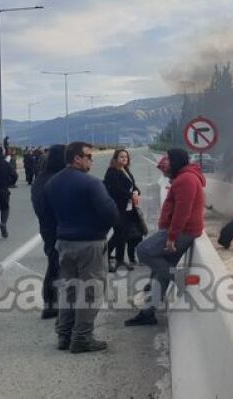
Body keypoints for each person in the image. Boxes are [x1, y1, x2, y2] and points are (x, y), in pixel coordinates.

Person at [44, 141, 118, 353]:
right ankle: (82, 338)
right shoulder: (91, 184)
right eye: (88, 156)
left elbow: (48, 216)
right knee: (91, 292)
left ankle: (64, 335)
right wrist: (100, 229)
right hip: (90, 243)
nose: (91, 160)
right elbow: (111, 214)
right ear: (76, 158)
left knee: (68, 290)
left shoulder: (53, 183)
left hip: (64, 242)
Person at [126, 148, 205, 327]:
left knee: (144, 250)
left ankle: (178, 279)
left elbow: (182, 211)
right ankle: (148, 312)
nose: (165, 161)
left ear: (176, 160)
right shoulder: (183, 177)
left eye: (168, 159)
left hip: (182, 231)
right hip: (180, 230)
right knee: (159, 272)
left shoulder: (186, 179)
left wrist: (171, 237)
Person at [30, 144, 66, 320]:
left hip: (46, 227)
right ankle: (51, 303)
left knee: (54, 264)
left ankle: (51, 303)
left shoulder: (41, 179)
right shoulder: (55, 180)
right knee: (56, 266)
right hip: (56, 227)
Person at [103, 149, 142, 272]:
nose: (124, 159)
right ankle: (105, 256)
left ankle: (120, 260)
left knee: (123, 234)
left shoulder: (126, 170)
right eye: (121, 157)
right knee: (118, 233)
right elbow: (116, 190)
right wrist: (131, 195)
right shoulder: (111, 172)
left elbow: (132, 185)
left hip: (128, 208)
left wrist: (137, 191)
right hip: (116, 207)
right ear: (115, 159)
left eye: (126, 157)